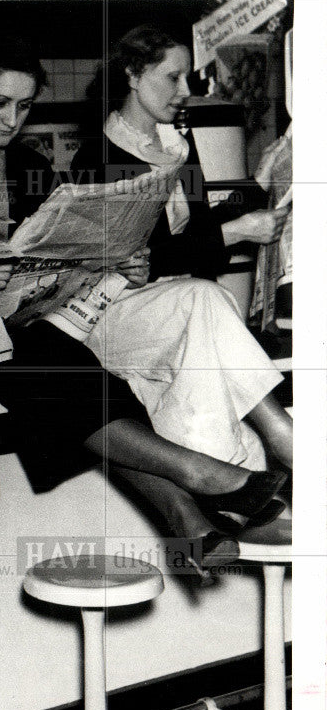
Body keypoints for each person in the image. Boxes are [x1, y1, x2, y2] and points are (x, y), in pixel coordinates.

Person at [0, 35, 287, 587]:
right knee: (54, 371)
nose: (11, 119)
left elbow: (63, 250)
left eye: (24, 107)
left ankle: (187, 511)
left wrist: (112, 264)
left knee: (67, 366)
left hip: (22, 324)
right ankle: (193, 492)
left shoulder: (33, 167)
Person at [70, 24, 293, 471]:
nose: (184, 91)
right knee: (205, 297)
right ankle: (285, 436)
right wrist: (239, 232)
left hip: (178, 312)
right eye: (172, 78)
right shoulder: (98, 158)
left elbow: (199, 228)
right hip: (113, 316)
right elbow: (149, 260)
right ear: (133, 75)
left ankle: (233, 483)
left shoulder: (175, 145)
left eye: (186, 78)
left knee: (209, 400)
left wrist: (257, 183)